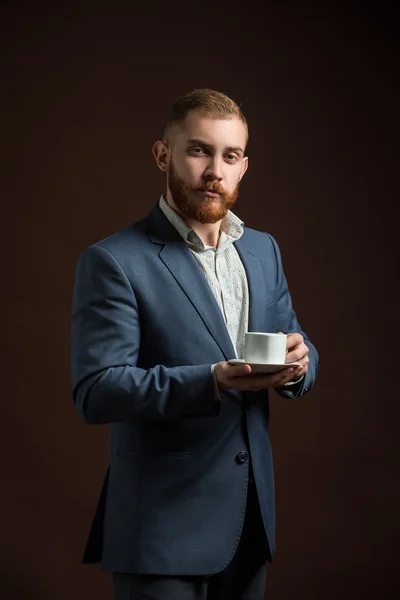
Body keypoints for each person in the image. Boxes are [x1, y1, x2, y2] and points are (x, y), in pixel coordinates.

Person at [71, 88, 319, 600]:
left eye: (229, 156)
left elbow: (296, 340)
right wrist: (210, 380)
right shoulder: (113, 260)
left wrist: (300, 363)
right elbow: (97, 390)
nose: (214, 170)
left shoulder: (262, 250)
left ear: (244, 166)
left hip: (249, 525)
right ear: (163, 154)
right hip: (160, 529)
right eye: (198, 150)